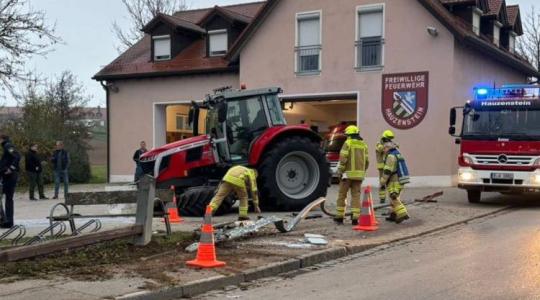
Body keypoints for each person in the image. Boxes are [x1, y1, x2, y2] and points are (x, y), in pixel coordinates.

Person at [334, 125, 369, 225]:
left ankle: (340, 217)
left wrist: (340, 171)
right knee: (356, 196)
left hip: (347, 175)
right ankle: (355, 218)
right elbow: (367, 161)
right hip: (359, 176)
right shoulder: (364, 145)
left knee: (342, 195)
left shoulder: (348, 143)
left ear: (349, 134)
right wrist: (362, 172)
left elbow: (343, 158)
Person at [380, 141, 410, 224]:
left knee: (394, 197)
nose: (383, 150)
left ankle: (403, 213)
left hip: (394, 181)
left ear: (388, 148)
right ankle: (393, 215)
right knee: (395, 197)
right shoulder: (397, 153)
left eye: (384, 148)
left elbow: (387, 171)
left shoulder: (390, 156)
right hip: (401, 179)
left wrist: (382, 182)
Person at [0, 135, 20, 228]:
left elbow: (17, 156)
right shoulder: (5, 146)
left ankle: (6, 220)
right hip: (6, 175)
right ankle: (6, 220)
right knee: (8, 198)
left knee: (8, 198)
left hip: (9, 176)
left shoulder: (8, 145)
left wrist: (11, 168)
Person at [375, 130, 396, 204]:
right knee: (382, 183)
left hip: (389, 166)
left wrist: (393, 145)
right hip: (382, 167)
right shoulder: (379, 144)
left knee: (391, 183)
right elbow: (382, 149)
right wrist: (392, 146)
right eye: (388, 139)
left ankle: (392, 197)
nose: (389, 140)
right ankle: (382, 199)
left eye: (390, 139)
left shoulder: (389, 144)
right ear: (383, 138)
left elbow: (396, 147)